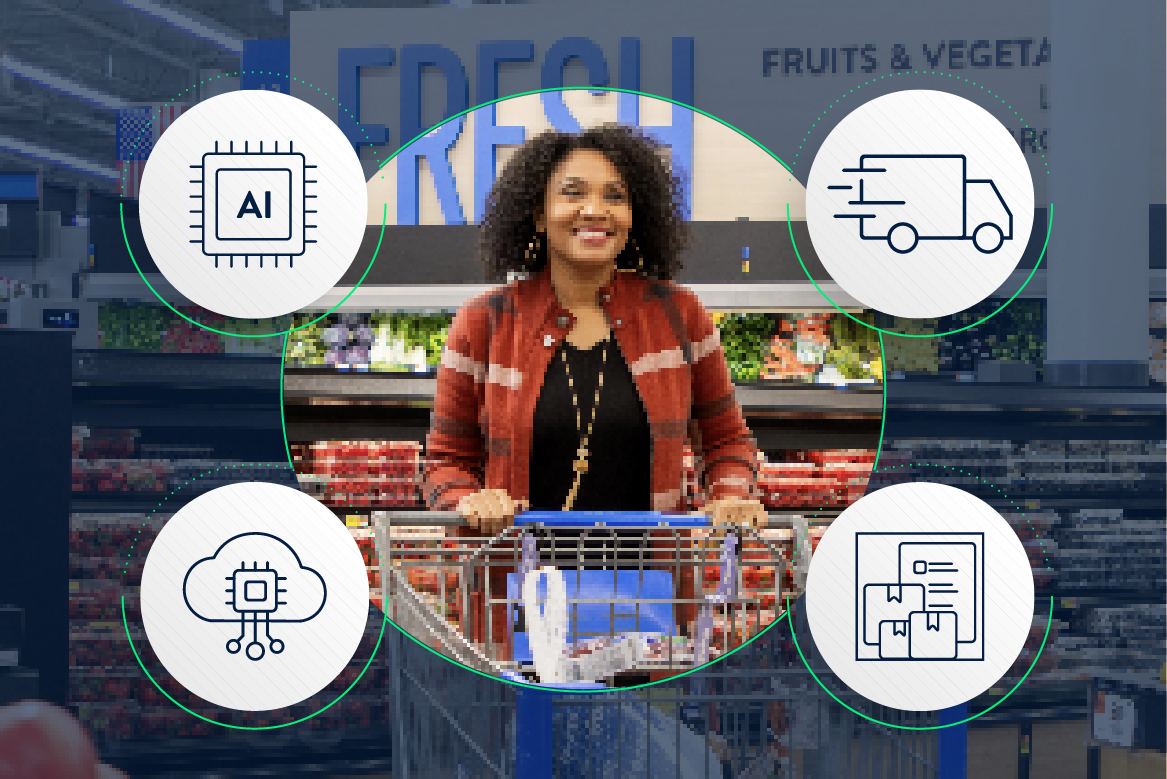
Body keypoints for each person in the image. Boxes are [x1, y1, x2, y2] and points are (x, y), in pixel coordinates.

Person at [419, 123, 768, 668]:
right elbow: (444, 461)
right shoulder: (483, 324)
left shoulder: (680, 315)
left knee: (649, 742)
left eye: (616, 195)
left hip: (652, 604)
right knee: (525, 743)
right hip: (518, 601)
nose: (595, 209)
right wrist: (468, 499)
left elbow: (727, 439)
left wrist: (730, 494)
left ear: (636, 216)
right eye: (573, 192)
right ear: (537, 213)